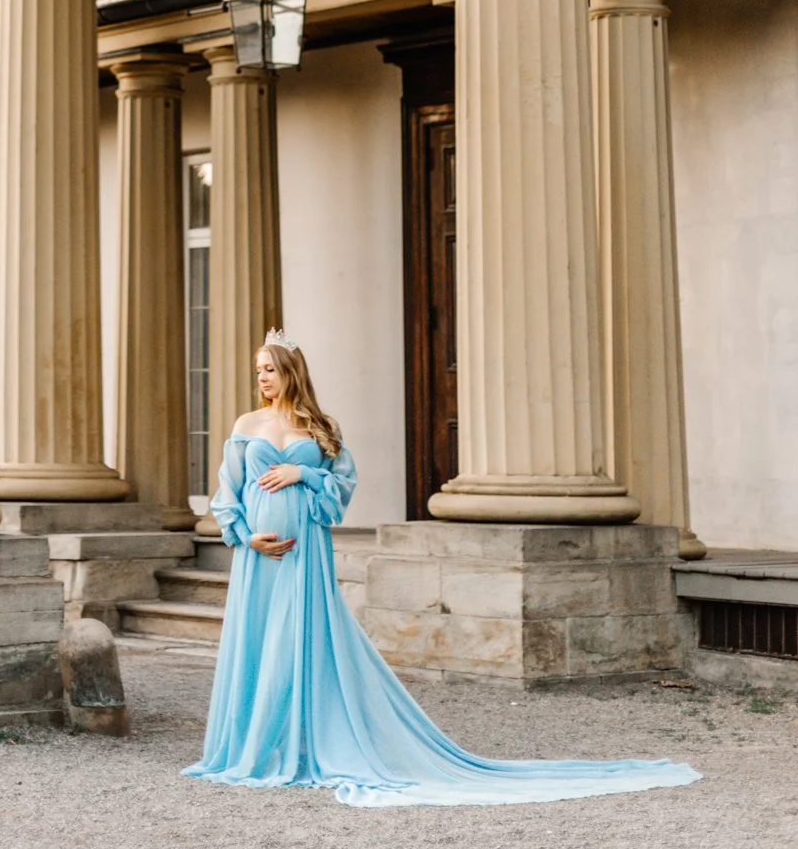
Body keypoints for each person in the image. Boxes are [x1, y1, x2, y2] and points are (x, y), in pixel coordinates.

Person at [184, 331, 700, 808]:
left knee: (303, 640)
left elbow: (341, 489)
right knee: (261, 641)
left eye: (269, 370)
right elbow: (227, 491)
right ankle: (257, 745)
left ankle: (304, 740)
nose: (262, 380)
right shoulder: (245, 426)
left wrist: (303, 472)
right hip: (260, 556)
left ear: (291, 371)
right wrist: (244, 536)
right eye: (257, 371)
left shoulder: (323, 427)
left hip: (303, 555)